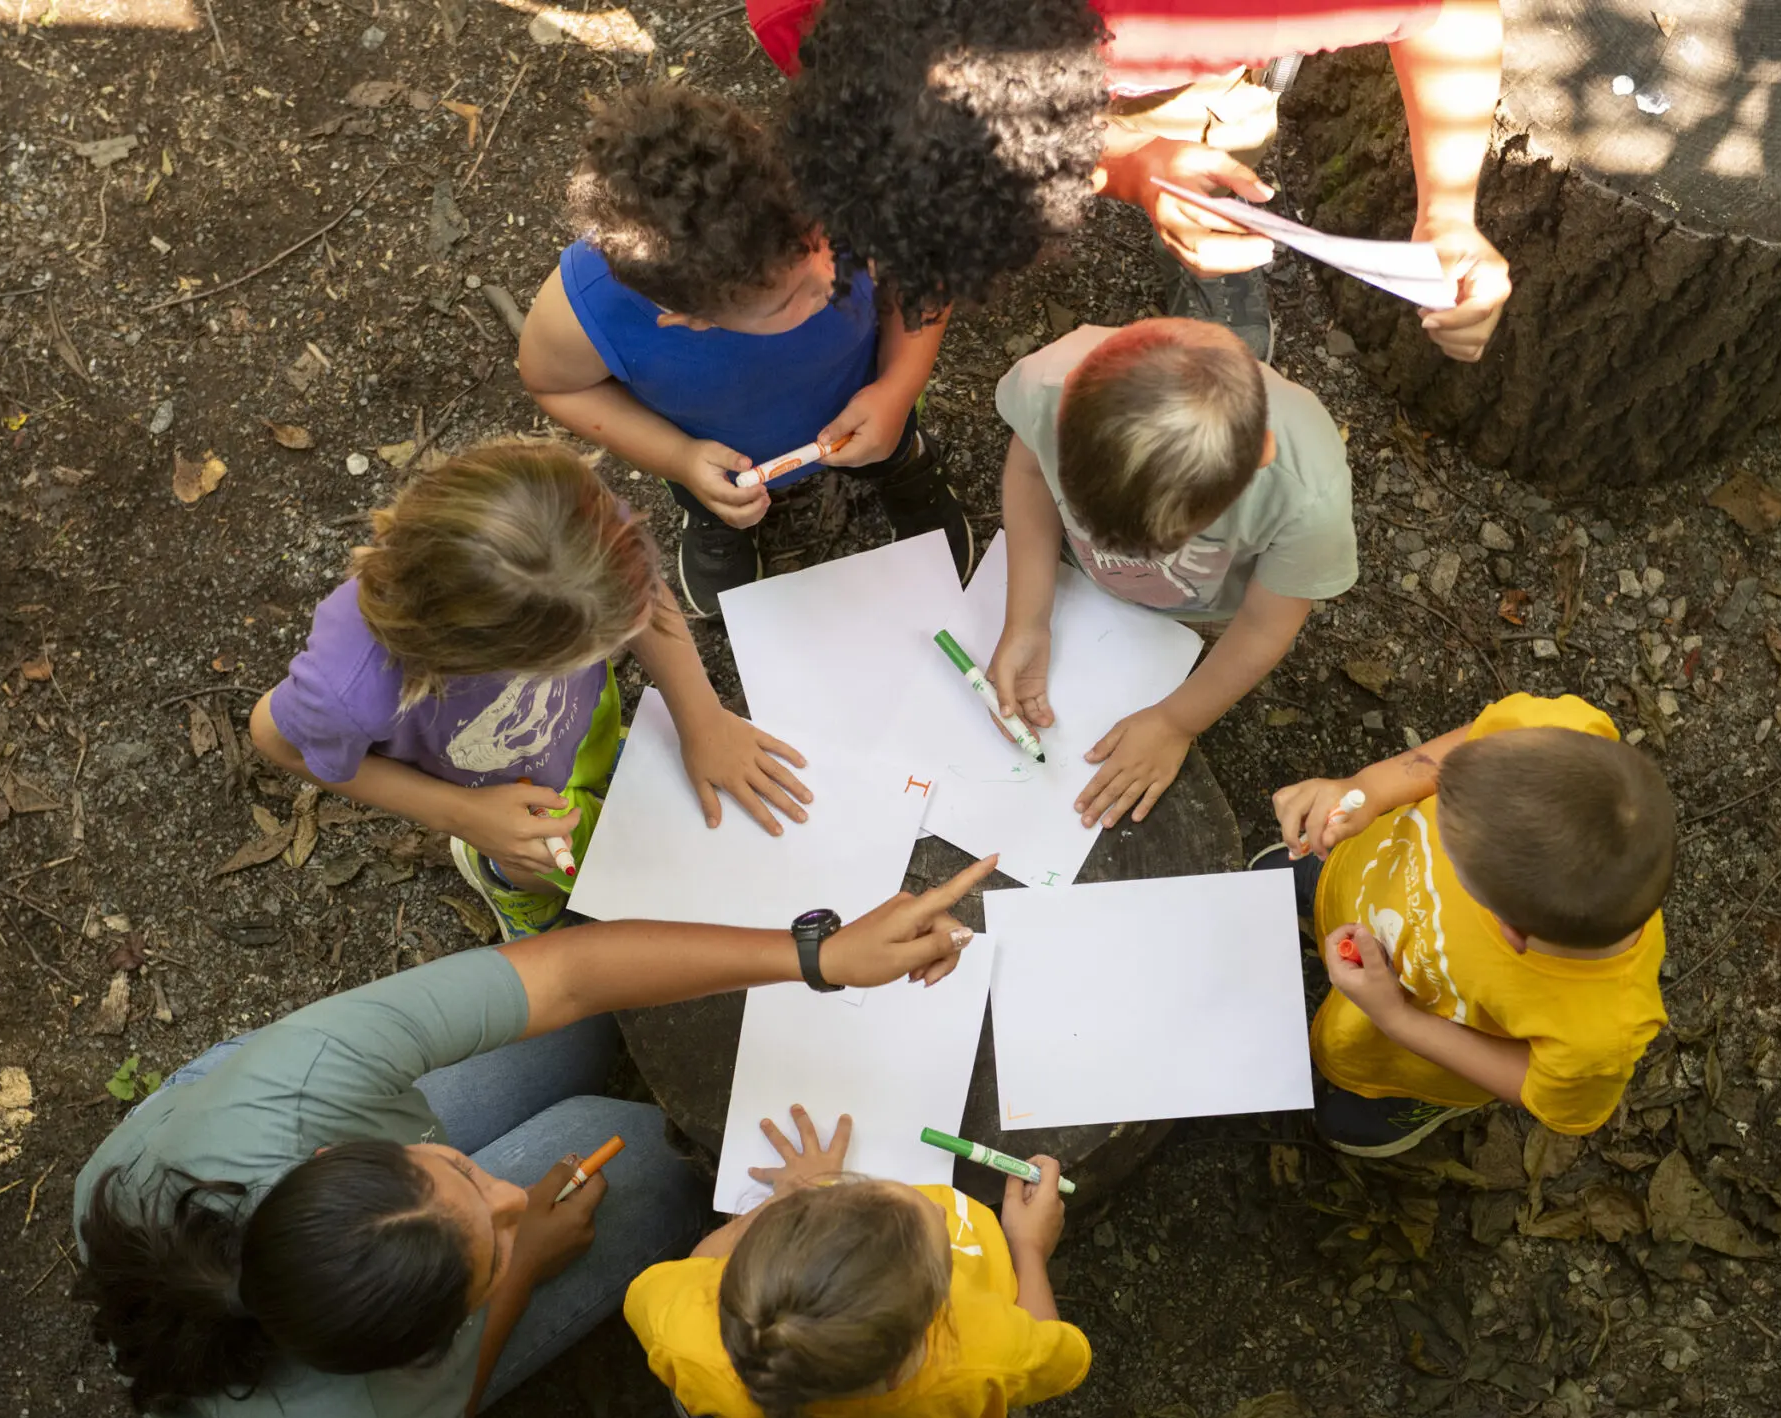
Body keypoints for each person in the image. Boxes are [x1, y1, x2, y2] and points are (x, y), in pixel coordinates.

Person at [71, 856, 998, 1418]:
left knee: (590, 1024)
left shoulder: (304, 1083)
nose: (513, 1191)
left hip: (295, 1209)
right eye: (487, 1246)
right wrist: (522, 1272)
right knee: (639, 1150)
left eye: (459, 1174)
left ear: (332, 1156)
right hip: (364, 1373)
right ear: (430, 1345)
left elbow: (565, 976)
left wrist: (820, 956)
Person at [248, 438, 811, 944]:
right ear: (488, 661)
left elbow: (642, 597)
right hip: (495, 785)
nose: (631, 633)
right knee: (541, 860)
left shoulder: (567, 522)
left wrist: (703, 719)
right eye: (599, 647)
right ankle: (504, 881)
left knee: (594, 776)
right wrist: (464, 815)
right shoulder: (348, 688)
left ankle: (591, 774)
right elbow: (277, 740)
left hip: (576, 723)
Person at [764, 0, 1509, 362]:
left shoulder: (1237, 15)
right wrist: (1137, 169)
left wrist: (1448, 208)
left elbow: (1453, 15)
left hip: (1185, 60)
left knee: (1216, 131)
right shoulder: (807, 14)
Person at [516, 82, 972, 620]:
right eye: (791, 297)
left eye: (825, 241)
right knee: (714, 490)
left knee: (888, 446)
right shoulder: (586, 313)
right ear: (688, 319)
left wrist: (897, 389)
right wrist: (680, 460)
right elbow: (552, 383)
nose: (834, 279)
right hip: (720, 449)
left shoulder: (848, 189)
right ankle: (714, 513)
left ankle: (902, 470)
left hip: (864, 394)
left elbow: (926, 277)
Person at [1263, 694, 1675, 1156]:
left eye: (1448, 849)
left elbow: (1535, 1086)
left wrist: (1396, 1016)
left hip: (1413, 1039)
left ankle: (1404, 1099)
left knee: (1357, 1098)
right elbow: (1471, 745)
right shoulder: (1561, 737)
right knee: (1276, 893)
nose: (1434, 812)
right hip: (1362, 871)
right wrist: (1367, 791)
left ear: (1509, 930)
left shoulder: (1602, 1031)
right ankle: (1322, 891)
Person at [986, 318, 1357, 830]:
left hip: (1209, 611)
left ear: (1258, 461)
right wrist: (1026, 620)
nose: (1133, 556)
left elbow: (1266, 623)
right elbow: (1029, 473)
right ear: (1067, 400)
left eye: (1169, 539)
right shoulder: (1046, 384)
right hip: (1086, 581)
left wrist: (1176, 721)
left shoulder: (1306, 494)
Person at [622, 1105, 1082, 1418]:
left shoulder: (690, 1346)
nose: (941, 1213)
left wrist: (790, 1202)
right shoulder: (982, 1361)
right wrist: (1029, 1247)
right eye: (937, 1238)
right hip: (905, 1408)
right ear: (934, 1313)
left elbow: (684, 1272)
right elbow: (1057, 1352)